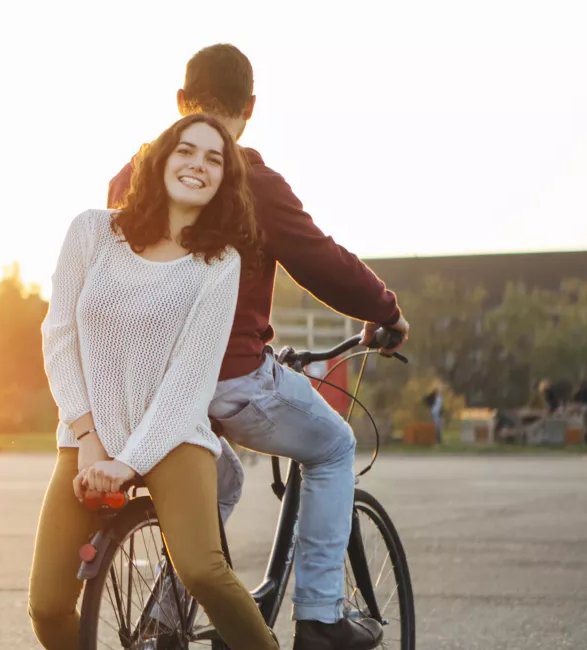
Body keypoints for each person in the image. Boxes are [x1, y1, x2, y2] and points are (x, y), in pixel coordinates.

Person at [106, 44, 409, 650]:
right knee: (333, 446)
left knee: (218, 479)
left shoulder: (133, 175)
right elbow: (321, 261)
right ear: (251, 107)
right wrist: (385, 310)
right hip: (228, 378)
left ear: (180, 101)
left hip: (145, 384)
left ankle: (168, 621)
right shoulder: (250, 181)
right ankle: (321, 616)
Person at [31, 112, 275, 650]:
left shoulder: (219, 263)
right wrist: (91, 443)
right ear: (162, 158)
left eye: (214, 159)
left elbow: (191, 378)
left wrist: (130, 461)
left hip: (171, 436)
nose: (197, 165)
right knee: (47, 607)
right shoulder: (93, 231)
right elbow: (59, 335)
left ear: (224, 183)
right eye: (186, 150)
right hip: (87, 435)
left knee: (203, 572)